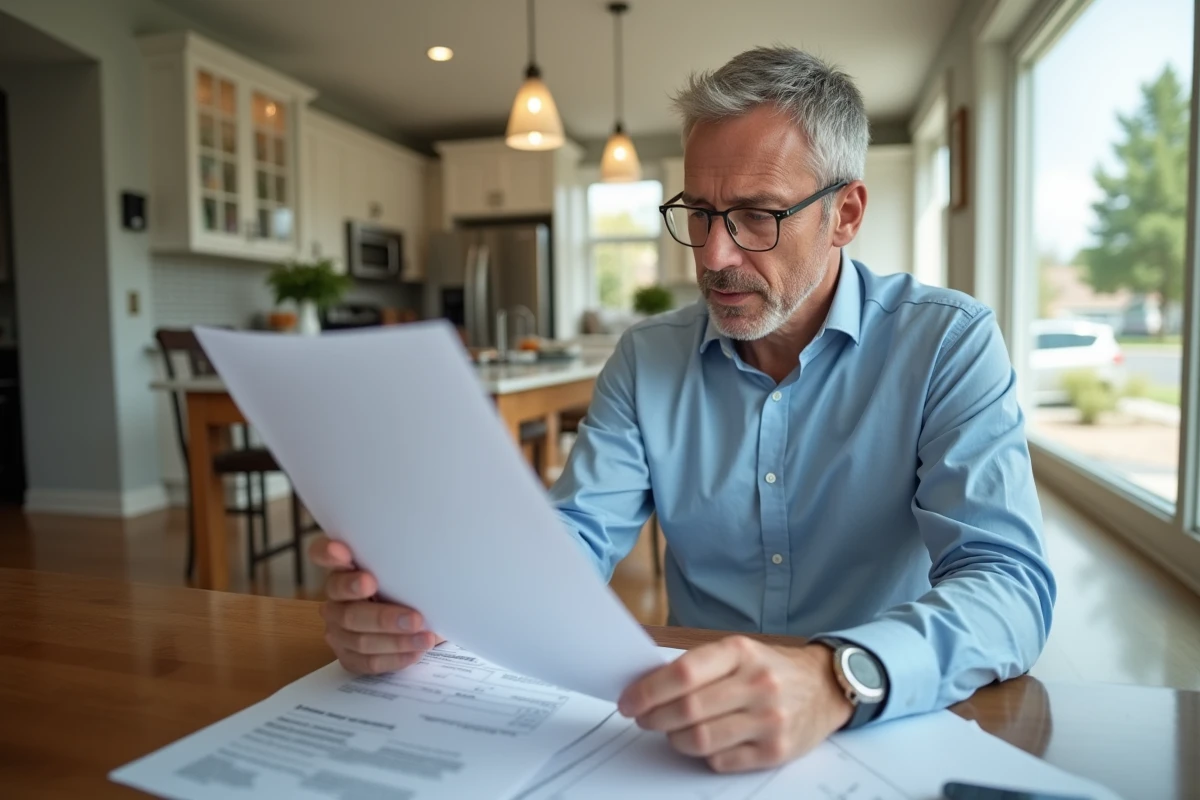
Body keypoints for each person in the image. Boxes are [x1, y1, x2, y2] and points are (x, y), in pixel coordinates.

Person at [309, 45, 1055, 774]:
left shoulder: (946, 344)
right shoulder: (646, 358)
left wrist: (835, 678)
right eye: (698, 212)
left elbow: (1008, 585)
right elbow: (571, 540)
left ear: (846, 212)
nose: (713, 256)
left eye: (756, 216)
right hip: (688, 739)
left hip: (877, 726)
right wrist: (435, 608)